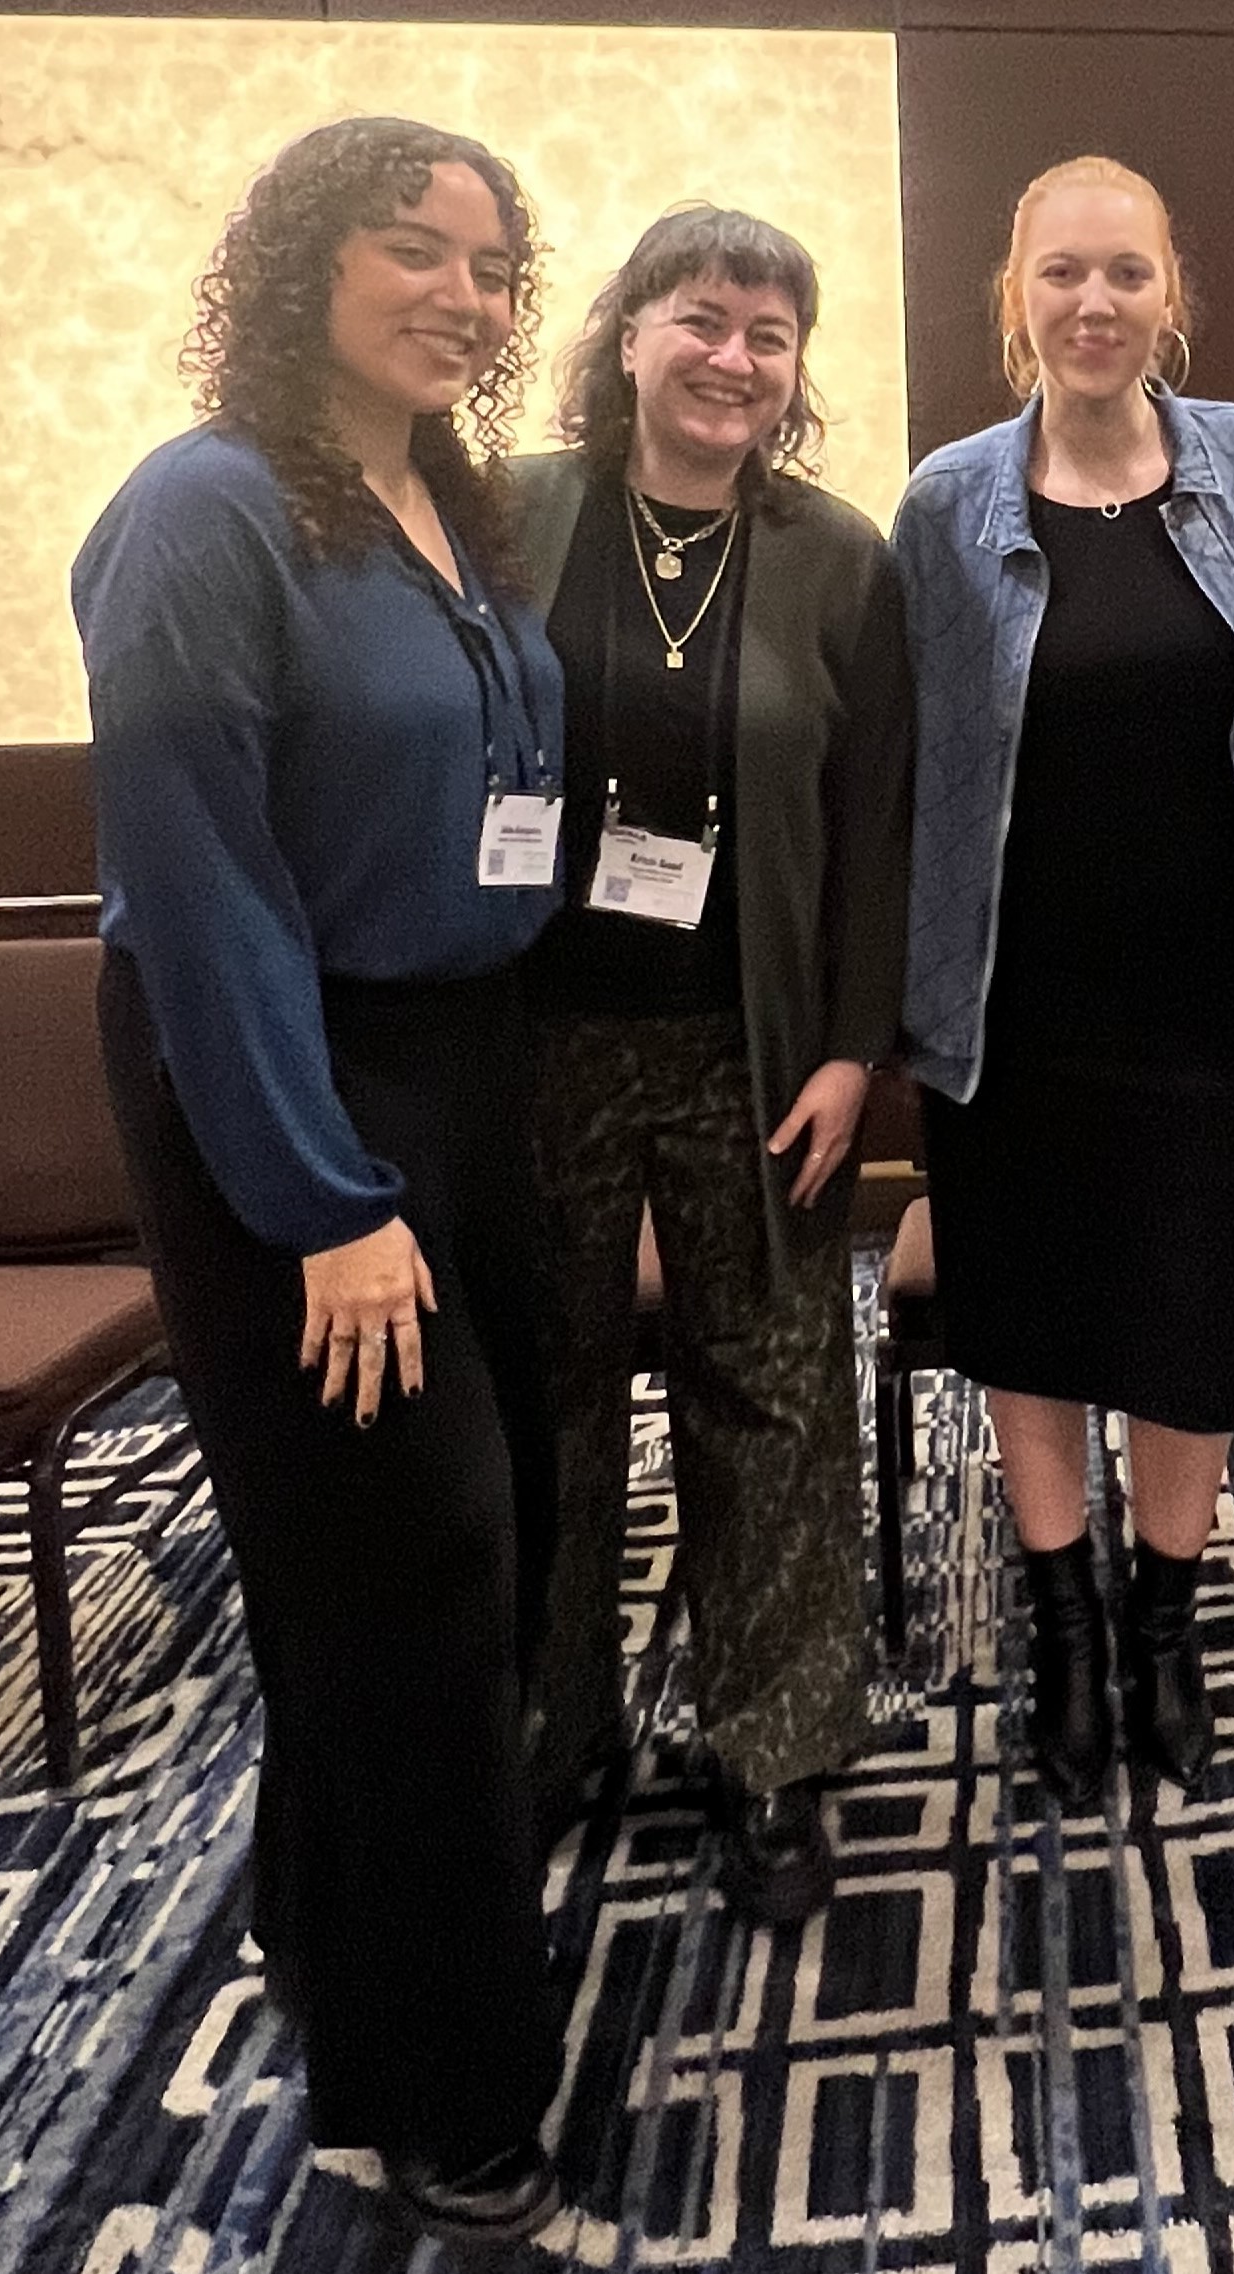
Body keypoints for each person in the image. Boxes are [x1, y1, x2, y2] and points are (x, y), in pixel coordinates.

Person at [75, 117, 568, 2241]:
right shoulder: (199, 512)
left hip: (467, 1070)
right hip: (294, 1088)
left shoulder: (436, 495)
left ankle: (322, 1924)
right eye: (410, 249)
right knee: (424, 1575)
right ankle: (432, 2083)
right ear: (301, 263)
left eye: (486, 266)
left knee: (445, 1557)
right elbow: (202, 896)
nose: (457, 293)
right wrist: (316, 1194)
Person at [893, 157, 1234, 1809]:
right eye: (1061, 273)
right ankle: (1064, 1621)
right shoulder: (944, 504)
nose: (1093, 303)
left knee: (1184, 1309)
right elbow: (915, 759)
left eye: (1125, 273)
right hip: (1011, 994)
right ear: (1016, 299)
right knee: (1035, 1306)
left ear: (1168, 298)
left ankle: (1165, 1619)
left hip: (1209, 987)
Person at [511, 207, 912, 1927]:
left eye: (770, 331)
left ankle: (772, 1753)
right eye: (703, 317)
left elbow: (881, 818)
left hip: (753, 1046)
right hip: (535, 1040)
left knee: (776, 1400)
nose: (735, 356)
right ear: (628, 335)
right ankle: (550, 1725)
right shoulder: (510, 514)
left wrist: (851, 1049)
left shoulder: (839, 556)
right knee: (550, 1392)